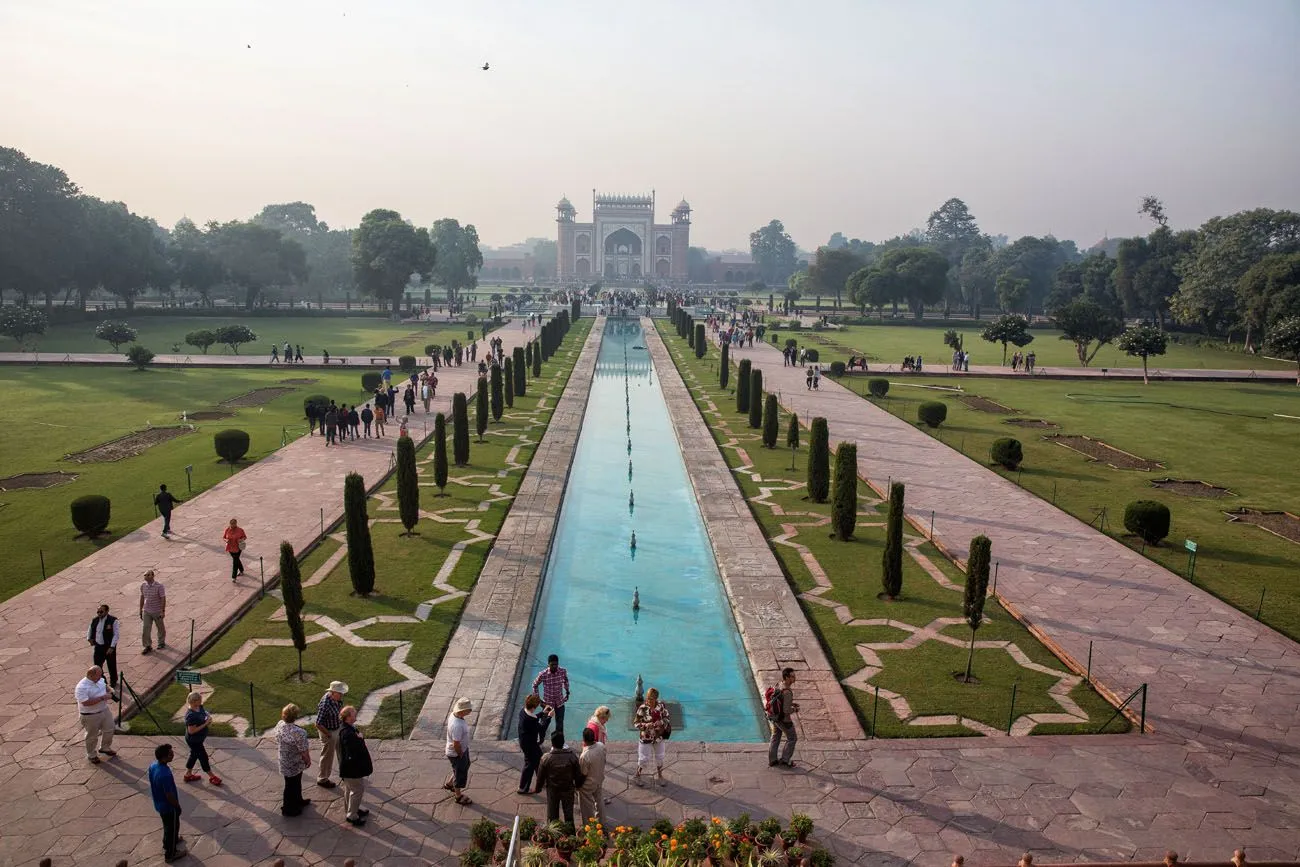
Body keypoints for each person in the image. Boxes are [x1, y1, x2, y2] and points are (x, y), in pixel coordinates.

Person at [149, 743, 187, 862]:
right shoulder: (164, 774)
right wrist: (177, 806)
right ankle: (171, 854)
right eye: (170, 753)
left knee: (168, 827)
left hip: (159, 804)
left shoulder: (153, 766)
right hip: (169, 807)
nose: (173, 754)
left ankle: (170, 841)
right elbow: (169, 795)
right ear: (164, 757)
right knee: (171, 828)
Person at [275, 703, 313, 816]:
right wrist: (308, 760)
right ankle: (288, 809)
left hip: (284, 760)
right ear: (295, 716)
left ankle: (298, 800)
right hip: (295, 762)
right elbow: (303, 750)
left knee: (295, 783)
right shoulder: (299, 732)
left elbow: (277, 738)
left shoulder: (280, 725)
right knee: (290, 785)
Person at [338, 705, 373, 826]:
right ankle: (352, 815)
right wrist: (360, 739)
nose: (356, 715)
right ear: (348, 717)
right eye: (354, 714)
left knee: (349, 789)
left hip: (348, 769)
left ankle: (352, 809)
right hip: (352, 769)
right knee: (357, 790)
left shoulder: (347, 727)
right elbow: (351, 750)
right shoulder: (347, 733)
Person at [74, 665, 116, 764]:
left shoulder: (100, 680)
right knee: (92, 736)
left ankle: (105, 747)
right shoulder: (82, 687)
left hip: (104, 710)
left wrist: (110, 690)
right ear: (91, 675)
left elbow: (105, 686)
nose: (101, 676)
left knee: (110, 728)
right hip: (90, 715)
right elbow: (86, 702)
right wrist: (103, 698)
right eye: (99, 675)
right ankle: (91, 754)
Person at [536, 731, 580, 824]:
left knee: (552, 816)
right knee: (569, 815)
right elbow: (577, 775)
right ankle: (570, 836)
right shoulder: (572, 756)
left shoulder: (546, 758)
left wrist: (538, 788)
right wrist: (578, 786)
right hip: (568, 789)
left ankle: (554, 836)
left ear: (552, 743)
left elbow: (540, 777)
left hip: (553, 789)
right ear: (563, 742)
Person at [633, 687, 670, 786]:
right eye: (648, 698)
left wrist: (661, 721)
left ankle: (660, 776)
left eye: (652, 699)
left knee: (660, 757)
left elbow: (667, 717)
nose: (649, 701)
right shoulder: (642, 708)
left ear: (656, 698)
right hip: (646, 737)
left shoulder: (661, 706)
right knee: (643, 758)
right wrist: (645, 725)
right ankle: (637, 775)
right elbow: (636, 723)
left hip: (659, 736)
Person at [182, 692, 221, 785]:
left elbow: (204, 712)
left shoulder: (199, 707)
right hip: (194, 741)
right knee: (203, 757)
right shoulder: (191, 715)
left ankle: (188, 774)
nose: (201, 701)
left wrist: (208, 717)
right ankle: (212, 777)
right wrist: (205, 724)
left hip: (199, 739)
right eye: (199, 699)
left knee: (194, 755)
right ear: (194, 701)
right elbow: (191, 731)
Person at [517, 693, 552, 795]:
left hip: (525, 741)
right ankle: (523, 788)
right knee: (529, 765)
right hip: (530, 745)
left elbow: (534, 717)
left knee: (538, 760)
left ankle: (542, 780)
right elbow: (541, 728)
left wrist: (542, 713)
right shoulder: (531, 720)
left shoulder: (522, 712)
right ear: (533, 707)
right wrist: (549, 717)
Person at [315, 681, 348, 788]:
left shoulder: (336, 699)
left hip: (337, 728)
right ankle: (322, 778)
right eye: (340, 693)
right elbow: (318, 723)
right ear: (333, 692)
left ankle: (345, 773)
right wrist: (329, 735)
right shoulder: (325, 704)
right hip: (328, 731)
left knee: (342, 751)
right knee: (327, 756)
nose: (342, 695)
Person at [767, 667, 800, 768]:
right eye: (792, 677)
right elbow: (786, 711)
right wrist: (794, 709)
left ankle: (772, 760)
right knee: (792, 738)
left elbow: (780, 700)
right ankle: (785, 760)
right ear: (786, 677)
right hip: (783, 720)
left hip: (774, 716)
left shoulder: (779, 684)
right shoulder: (788, 692)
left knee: (776, 736)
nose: (794, 678)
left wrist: (791, 703)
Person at [444, 697, 474, 805]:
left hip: (461, 750)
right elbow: (456, 743)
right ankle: (458, 796)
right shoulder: (458, 725)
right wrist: (460, 753)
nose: (470, 711)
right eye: (468, 709)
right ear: (462, 711)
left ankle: (449, 783)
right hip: (457, 753)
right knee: (460, 773)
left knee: (463, 767)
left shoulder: (453, 715)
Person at [531, 654, 571, 735]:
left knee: (560, 724)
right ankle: (540, 739)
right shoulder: (543, 674)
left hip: (560, 702)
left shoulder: (563, 671)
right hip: (547, 704)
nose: (554, 666)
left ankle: (559, 743)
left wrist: (567, 692)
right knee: (544, 723)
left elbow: (566, 681)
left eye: (556, 664)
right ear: (548, 664)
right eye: (552, 664)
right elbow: (534, 685)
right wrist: (538, 700)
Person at [578, 726, 608, 827]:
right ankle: (602, 822)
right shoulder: (601, 746)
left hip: (588, 784)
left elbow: (583, 774)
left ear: (584, 739)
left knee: (586, 806)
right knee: (599, 800)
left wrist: (578, 786)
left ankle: (589, 826)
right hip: (599, 778)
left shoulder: (585, 756)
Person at [86, 604, 119, 696]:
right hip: (98, 646)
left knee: (111, 664)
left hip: (108, 646)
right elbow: (90, 629)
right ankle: (102, 681)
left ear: (107, 611)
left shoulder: (113, 621)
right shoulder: (95, 620)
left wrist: (112, 647)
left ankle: (113, 680)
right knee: (97, 665)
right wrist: (89, 638)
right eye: (98, 612)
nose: (99, 614)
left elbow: (116, 635)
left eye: (101, 612)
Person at [139, 570, 166, 654]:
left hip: (157, 611)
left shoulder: (159, 586)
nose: (146, 577)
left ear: (152, 576)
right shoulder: (143, 586)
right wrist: (140, 609)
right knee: (145, 628)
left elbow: (163, 598)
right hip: (147, 610)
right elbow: (142, 597)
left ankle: (161, 642)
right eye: (145, 575)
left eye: (147, 575)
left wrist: (162, 611)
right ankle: (147, 645)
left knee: (160, 627)